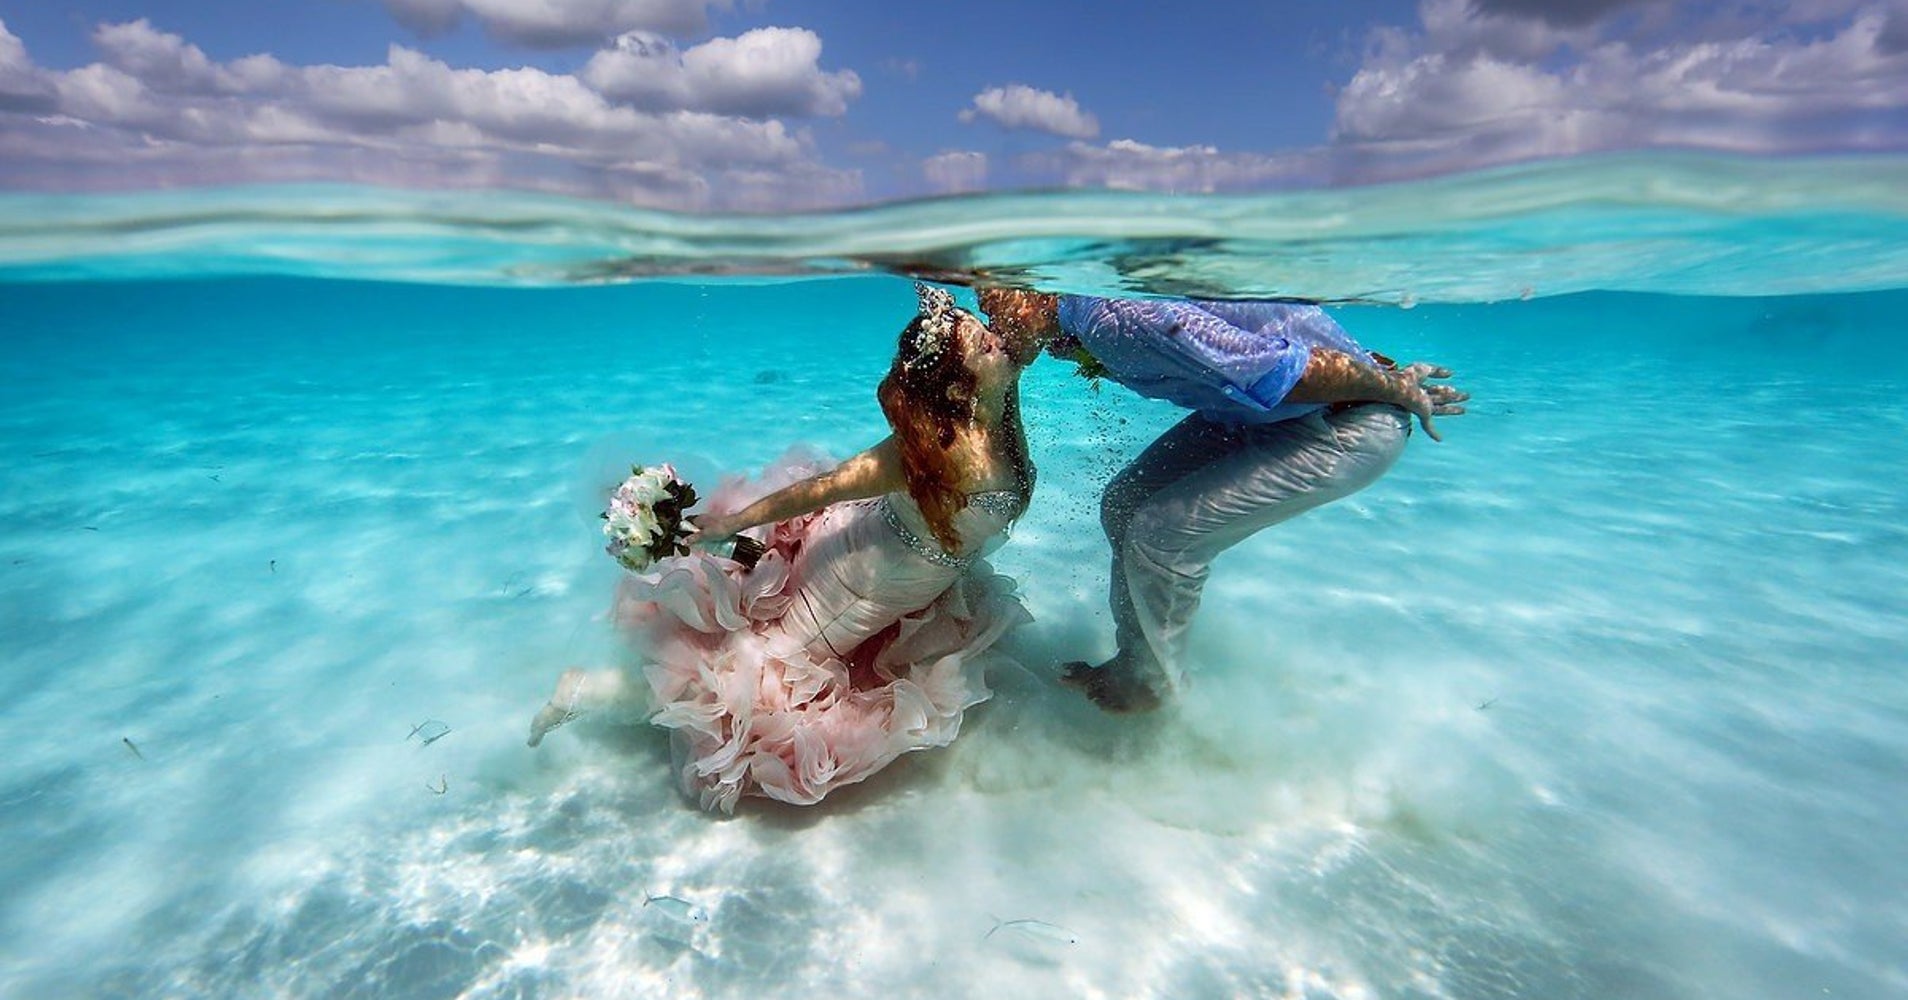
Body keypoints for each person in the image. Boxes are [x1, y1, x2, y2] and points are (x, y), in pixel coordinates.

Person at [528, 284, 1039, 813]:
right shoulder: (925, 452)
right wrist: (733, 523)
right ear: (957, 387)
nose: (999, 341)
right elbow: (823, 488)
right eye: (984, 343)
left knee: (752, 668)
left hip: (882, 558)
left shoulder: (995, 407)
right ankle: (585, 692)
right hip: (848, 589)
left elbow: (1024, 346)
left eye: (988, 336)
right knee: (745, 688)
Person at [978, 288, 1467, 713]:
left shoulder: (1114, 317)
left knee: (1162, 535)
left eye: (989, 299)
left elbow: (1280, 370)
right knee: (1125, 503)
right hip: (1266, 416)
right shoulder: (1083, 320)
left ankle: (1154, 691)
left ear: (1028, 286)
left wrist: (1394, 388)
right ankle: (1139, 663)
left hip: (1340, 424)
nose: (990, 320)